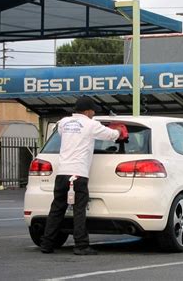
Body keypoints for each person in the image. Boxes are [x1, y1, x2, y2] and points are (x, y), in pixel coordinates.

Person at [40, 96, 124, 255]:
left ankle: (47, 244)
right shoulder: (91, 125)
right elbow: (111, 135)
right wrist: (119, 130)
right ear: (87, 111)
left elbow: (58, 130)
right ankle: (81, 245)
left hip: (62, 173)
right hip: (78, 174)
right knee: (79, 210)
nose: (94, 113)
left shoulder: (64, 122)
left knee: (57, 209)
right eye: (93, 111)